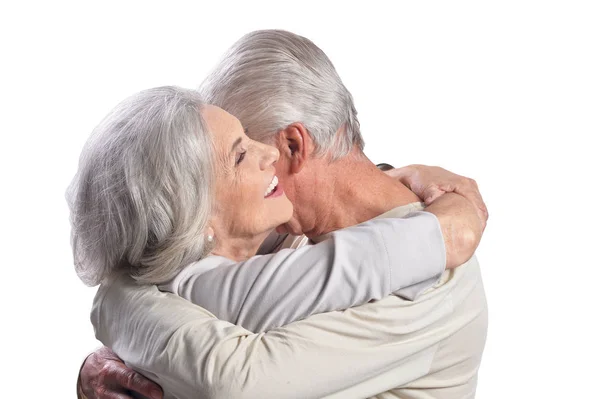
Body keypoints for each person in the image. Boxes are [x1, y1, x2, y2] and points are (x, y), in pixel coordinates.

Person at [79, 30, 488, 398]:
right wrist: (99, 362)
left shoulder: (429, 278)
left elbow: (234, 380)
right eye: (240, 155)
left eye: (248, 145)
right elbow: (168, 267)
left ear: (294, 146)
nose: (266, 157)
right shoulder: (278, 231)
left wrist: (114, 303)